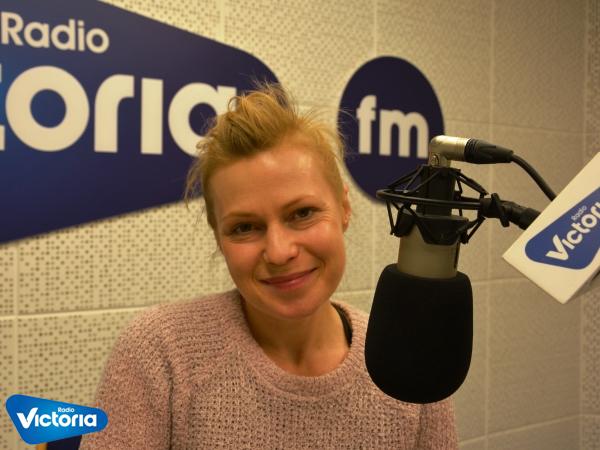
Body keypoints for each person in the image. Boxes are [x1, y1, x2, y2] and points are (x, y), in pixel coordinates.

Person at [80, 84, 458, 449]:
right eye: (244, 228)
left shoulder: (411, 363)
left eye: (302, 213)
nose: (279, 252)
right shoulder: (159, 354)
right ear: (218, 237)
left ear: (344, 208)